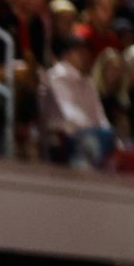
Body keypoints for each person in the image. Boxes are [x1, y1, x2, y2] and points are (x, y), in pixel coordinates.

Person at [43, 33, 116, 168]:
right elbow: (69, 113)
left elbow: (99, 114)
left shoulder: (88, 82)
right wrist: (94, 132)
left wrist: (107, 132)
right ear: (66, 55)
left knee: (113, 139)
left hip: (91, 135)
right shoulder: (56, 76)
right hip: (62, 138)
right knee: (92, 142)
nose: (85, 56)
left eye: (86, 52)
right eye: (79, 52)